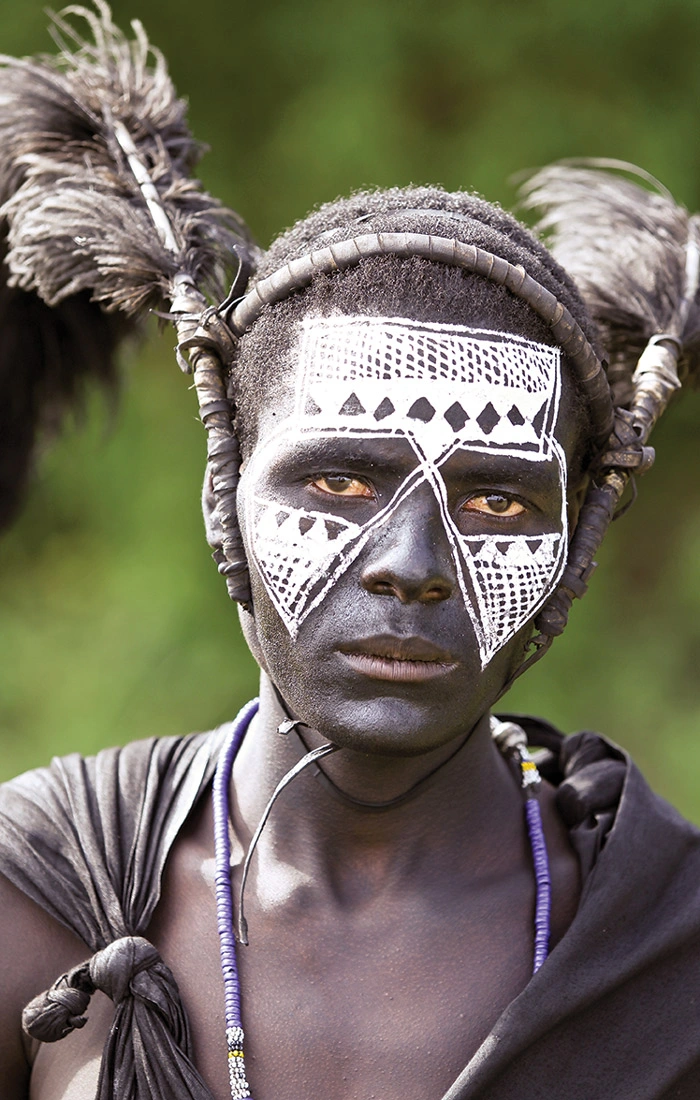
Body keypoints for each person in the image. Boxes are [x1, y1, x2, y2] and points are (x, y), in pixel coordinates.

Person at [1, 7, 700, 1100]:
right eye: (338, 481)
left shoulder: (669, 947)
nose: (410, 563)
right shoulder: (40, 892)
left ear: (578, 541)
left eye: (496, 498)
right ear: (224, 496)